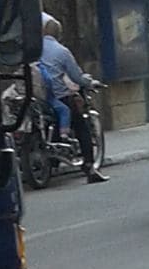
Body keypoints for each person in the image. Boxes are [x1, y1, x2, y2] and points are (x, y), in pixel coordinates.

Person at [39, 17, 103, 183]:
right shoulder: (62, 52)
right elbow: (76, 77)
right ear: (59, 35)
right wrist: (89, 82)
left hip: (37, 97)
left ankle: (52, 160)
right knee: (82, 127)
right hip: (59, 96)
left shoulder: (35, 49)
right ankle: (89, 166)